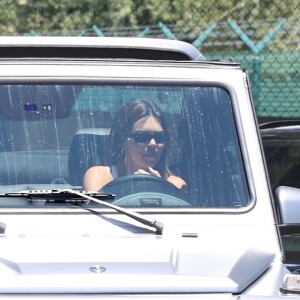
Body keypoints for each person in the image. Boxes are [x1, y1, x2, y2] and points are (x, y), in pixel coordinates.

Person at [83, 99, 186, 192]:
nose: (153, 144)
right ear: (123, 140)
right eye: (142, 137)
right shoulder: (100, 176)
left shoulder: (176, 185)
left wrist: (159, 187)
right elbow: (98, 210)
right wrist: (135, 187)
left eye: (159, 137)